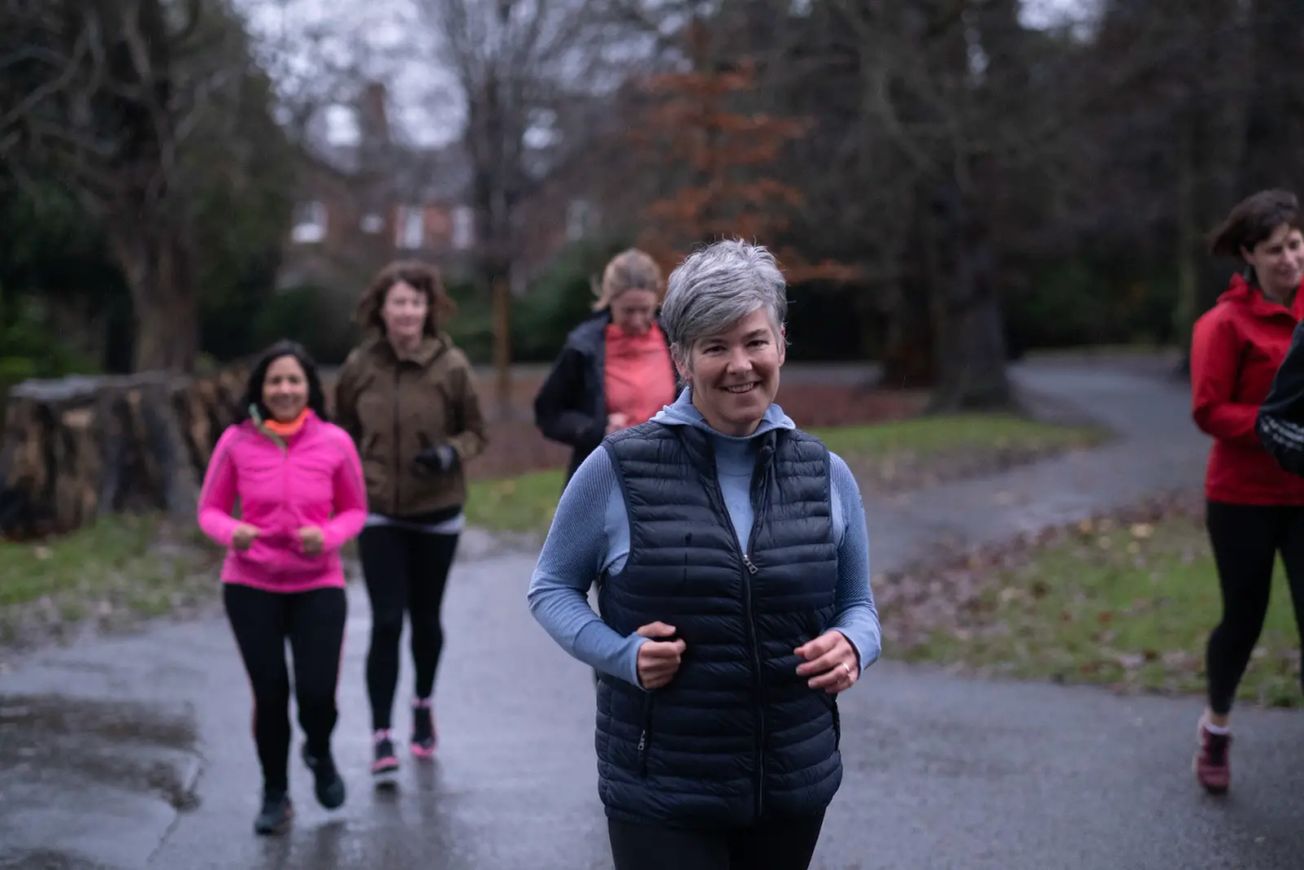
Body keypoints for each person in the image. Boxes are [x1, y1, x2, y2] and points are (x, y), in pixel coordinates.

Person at [528, 240, 880, 869]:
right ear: (682, 359)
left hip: (792, 786)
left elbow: (859, 606)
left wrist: (854, 645)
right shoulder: (616, 470)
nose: (740, 365)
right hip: (661, 792)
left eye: (755, 341)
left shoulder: (826, 473)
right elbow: (550, 588)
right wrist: (623, 654)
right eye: (715, 347)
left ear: (780, 343)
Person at [197, 340, 365, 835]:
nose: (285, 389)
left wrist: (329, 535)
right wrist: (233, 532)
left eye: (294, 380)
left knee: (317, 695)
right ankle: (275, 793)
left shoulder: (335, 441)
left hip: (318, 584)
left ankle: (318, 749)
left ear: (309, 387)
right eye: (275, 381)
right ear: (260, 389)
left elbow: (355, 509)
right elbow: (208, 509)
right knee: (270, 695)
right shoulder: (235, 441)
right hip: (251, 584)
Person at [335, 259, 487, 780]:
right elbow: (343, 431)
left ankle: (422, 704)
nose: (407, 312)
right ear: (381, 308)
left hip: (438, 510)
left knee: (425, 619)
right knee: (385, 622)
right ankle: (380, 733)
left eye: (415, 302)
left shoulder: (452, 366)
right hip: (378, 510)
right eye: (397, 302)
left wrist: (450, 453)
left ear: (429, 309)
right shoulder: (361, 366)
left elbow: (476, 432)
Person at [1190, 189, 1304, 795]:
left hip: (1303, 495)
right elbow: (1209, 411)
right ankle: (1217, 726)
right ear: (1247, 255)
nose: (1288, 259)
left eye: (1295, 244)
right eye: (1273, 250)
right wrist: (1277, 428)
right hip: (1244, 499)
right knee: (1245, 620)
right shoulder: (1223, 325)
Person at [534, 248, 678, 482]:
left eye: (645, 310)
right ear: (610, 300)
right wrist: (596, 429)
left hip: (668, 473)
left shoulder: (674, 342)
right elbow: (548, 413)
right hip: (605, 475)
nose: (637, 320)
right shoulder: (584, 347)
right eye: (628, 311)